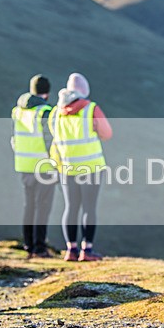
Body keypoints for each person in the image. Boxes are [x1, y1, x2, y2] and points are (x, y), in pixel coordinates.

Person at [49, 73, 112, 262]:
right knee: (89, 208)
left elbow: (53, 133)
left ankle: (71, 250)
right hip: (91, 167)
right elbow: (107, 133)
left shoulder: (56, 112)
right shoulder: (90, 108)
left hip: (67, 167)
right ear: (84, 91)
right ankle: (87, 250)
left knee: (71, 207)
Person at [11, 74, 56, 258]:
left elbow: (15, 139)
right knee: (42, 207)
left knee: (29, 205)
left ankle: (28, 244)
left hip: (24, 164)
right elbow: (49, 141)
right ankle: (39, 247)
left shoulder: (18, 111)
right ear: (47, 93)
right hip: (43, 166)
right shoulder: (45, 112)